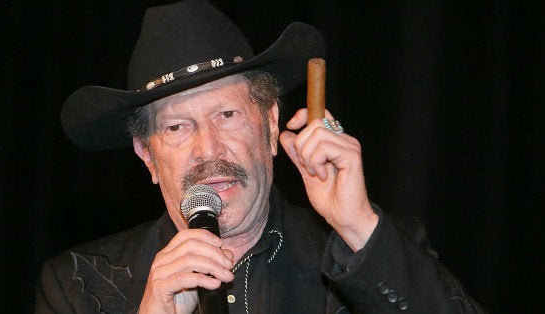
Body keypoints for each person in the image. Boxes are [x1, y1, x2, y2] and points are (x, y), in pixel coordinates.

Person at [35, 0, 486, 313]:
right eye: (176, 127)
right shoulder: (78, 284)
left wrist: (357, 226)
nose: (208, 149)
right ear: (147, 156)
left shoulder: (366, 250)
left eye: (227, 115)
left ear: (271, 126)